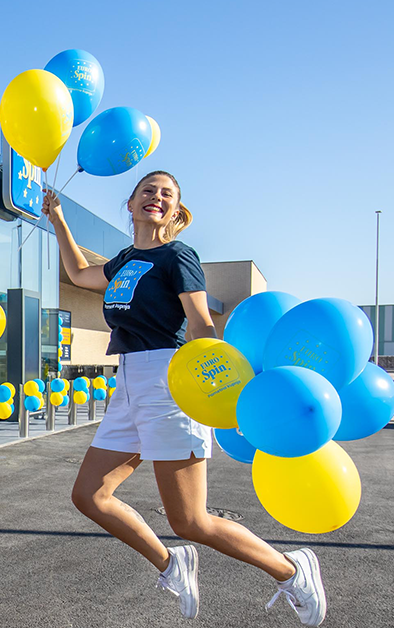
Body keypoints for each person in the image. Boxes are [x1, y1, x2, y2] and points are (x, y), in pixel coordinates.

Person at [45, 172, 325, 625]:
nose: (156, 197)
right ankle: (172, 563)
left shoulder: (178, 255)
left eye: (167, 194)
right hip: (130, 381)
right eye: (148, 191)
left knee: (191, 521)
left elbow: (200, 323)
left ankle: (292, 571)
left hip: (170, 381)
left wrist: (214, 386)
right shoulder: (124, 260)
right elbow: (78, 272)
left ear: (175, 211)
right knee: (90, 496)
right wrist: (58, 218)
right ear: (131, 204)